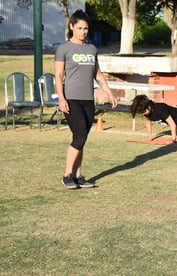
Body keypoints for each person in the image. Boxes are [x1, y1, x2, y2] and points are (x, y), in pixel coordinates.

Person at [55, 9, 118, 189]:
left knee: (81, 137)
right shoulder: (63, 49)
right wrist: (61, 99)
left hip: (87, 100)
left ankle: (78, 175)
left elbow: (97, 74)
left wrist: (109, 92)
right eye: (80, 28)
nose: (83, 31)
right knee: (80, 134)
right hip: (71, 98)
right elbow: (58, 76)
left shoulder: (91, 49)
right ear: (72, 27)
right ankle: (67, 175)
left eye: (86, 28)